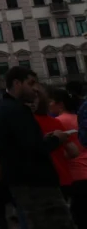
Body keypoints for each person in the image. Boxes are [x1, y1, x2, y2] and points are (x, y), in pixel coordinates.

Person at [0, 67, 76, 229]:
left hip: (26, 182)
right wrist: (56, 139)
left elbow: (22, 143)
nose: (35, 88)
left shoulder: (7, 109)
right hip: (35, 184)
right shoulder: (15, 110)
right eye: (31, 83)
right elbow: (32, 148)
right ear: (17, 83)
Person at [51, 88, 87, 228]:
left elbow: (68, 152)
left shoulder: (58, 122)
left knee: (79, 217)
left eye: (51, 102)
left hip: (74, 174)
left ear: (60, 104)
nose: (49, 105)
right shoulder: (78, 117)